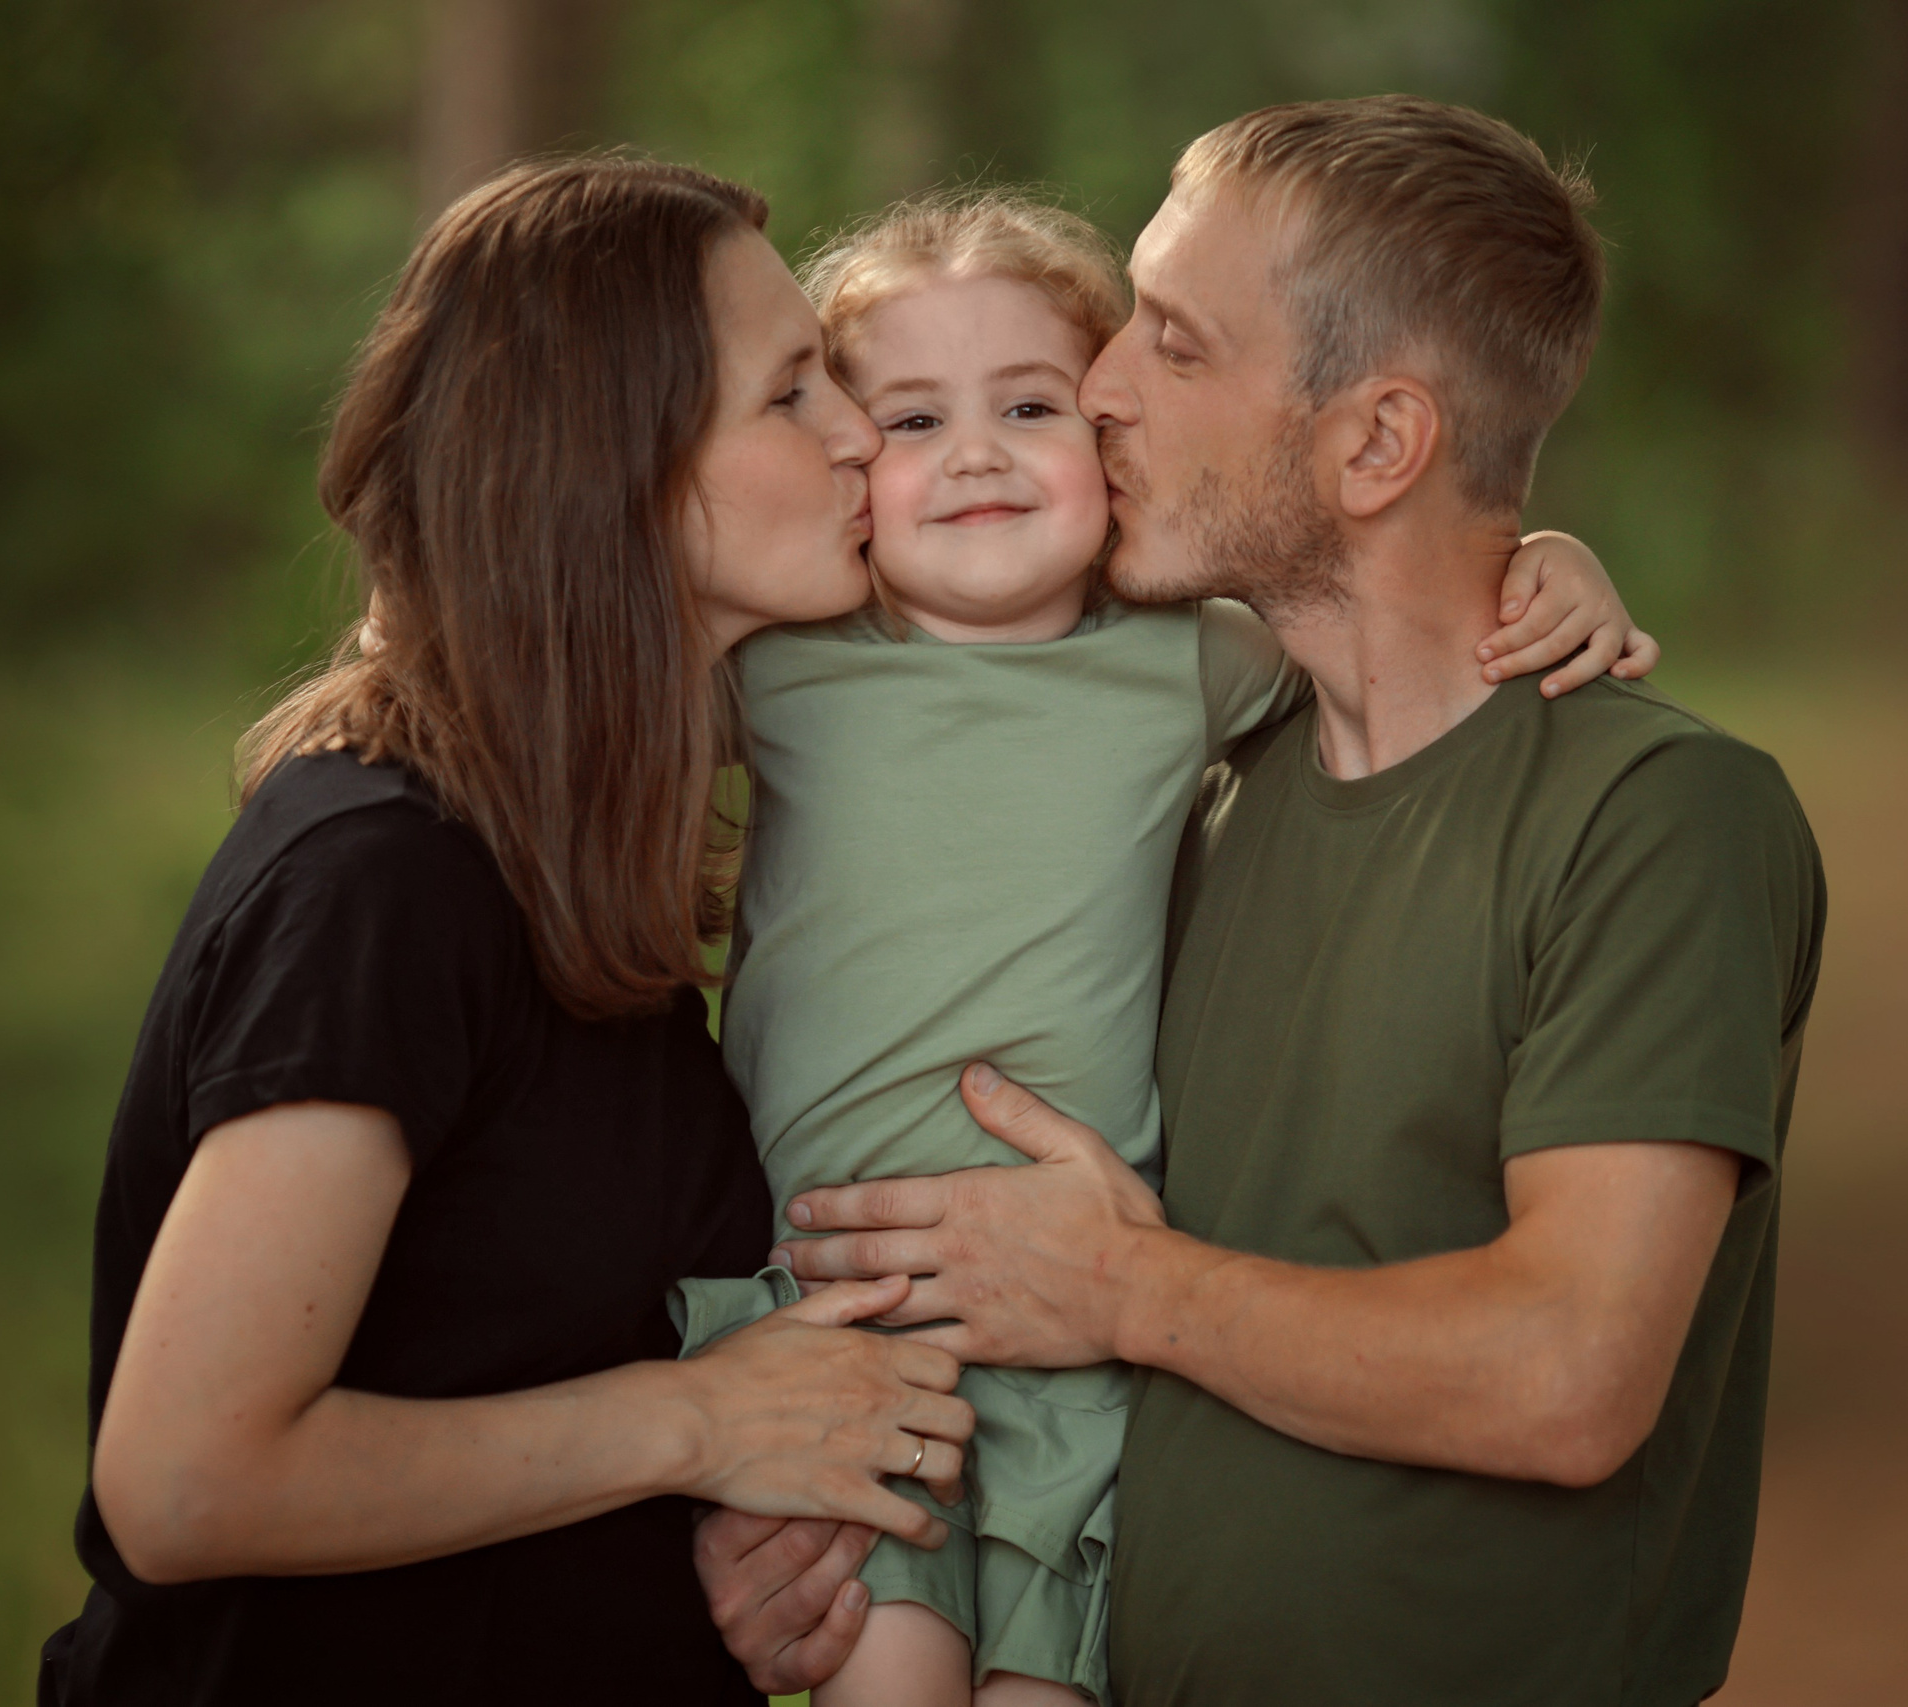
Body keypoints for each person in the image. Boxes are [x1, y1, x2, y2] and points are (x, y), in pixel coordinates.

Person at [705, 97, 1827, 1707]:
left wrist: (1121, 1289)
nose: (1096, 389)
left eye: (1170, 343)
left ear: (1376, 444)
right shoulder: (1214, 786)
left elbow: (1568, 1377)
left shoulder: (1655, 818)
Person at [36, 156, 977, 1707]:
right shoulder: (384, 885)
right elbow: (189, 1480)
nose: (860, 434)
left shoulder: (574, 857)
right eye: (793, 392)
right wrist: (703, 1425)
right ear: (622, 470)